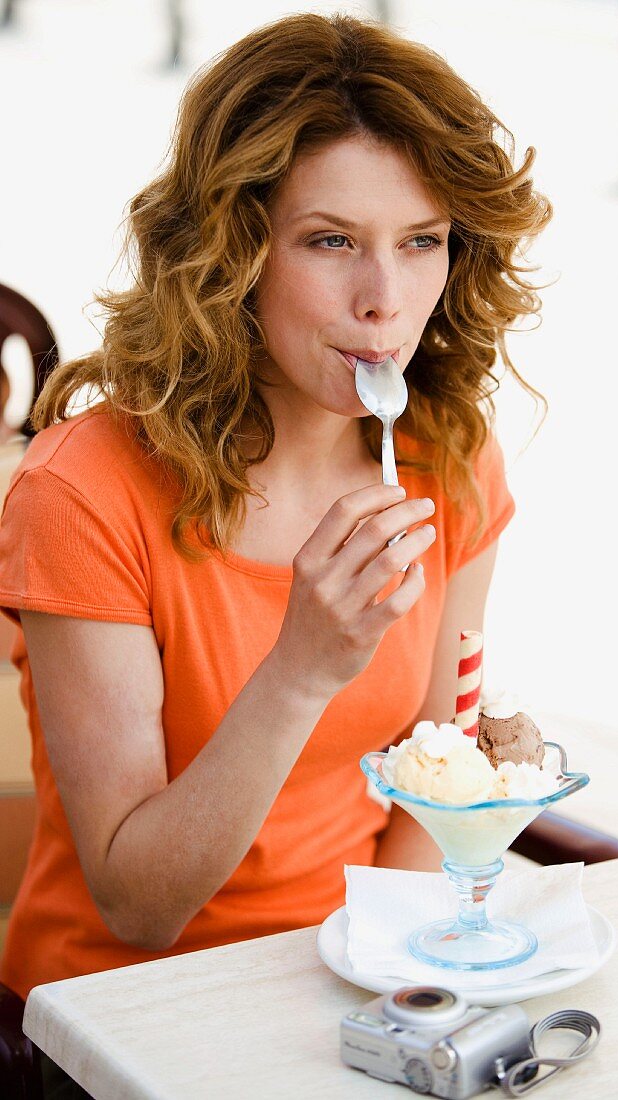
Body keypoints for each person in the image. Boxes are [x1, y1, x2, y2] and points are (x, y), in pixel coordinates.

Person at [0, 12, 550, 1096]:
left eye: (422, 239)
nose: (384, 301)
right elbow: (138, 903)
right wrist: (301, 666)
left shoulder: (445, 458)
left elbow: (422, 795)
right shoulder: (85, 490)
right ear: (230, 251)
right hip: (116, 1027)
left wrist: (391, 986)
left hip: (354, 992)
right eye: (330, 239)